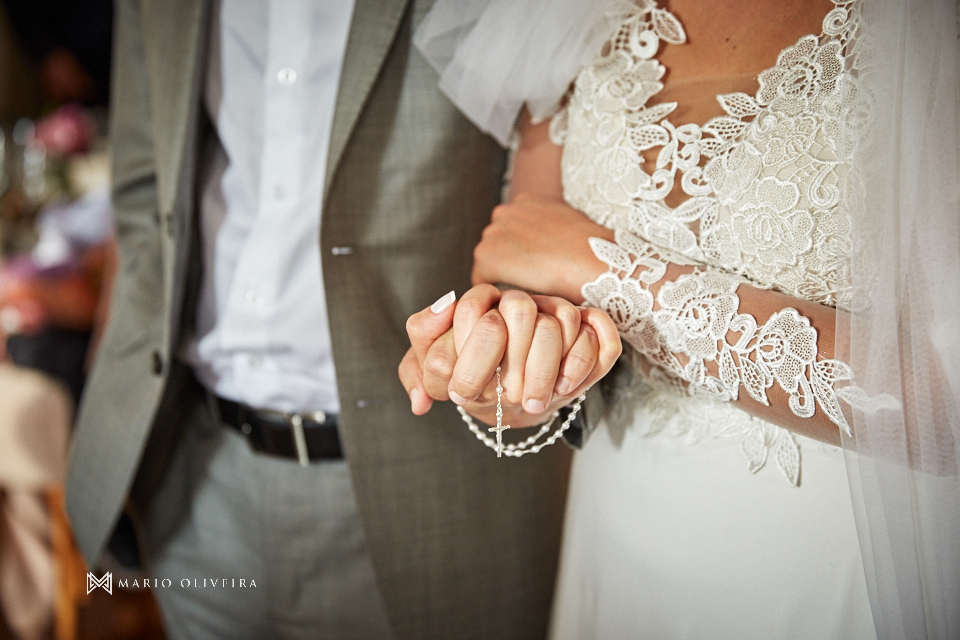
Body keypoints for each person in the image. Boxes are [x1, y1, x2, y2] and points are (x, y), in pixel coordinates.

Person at [62, 0, 617, 638]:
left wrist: (510, 344)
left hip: (425, 491)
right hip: (195, 473)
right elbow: (143, 189)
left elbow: (545, 198)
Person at [408, 0, 960, 638]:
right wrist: (497, 366)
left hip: (846, 554)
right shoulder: (567, 12)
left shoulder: (931, 24)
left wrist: (605, 268)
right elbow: (519, 273)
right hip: (619, 530)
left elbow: (944, 400)